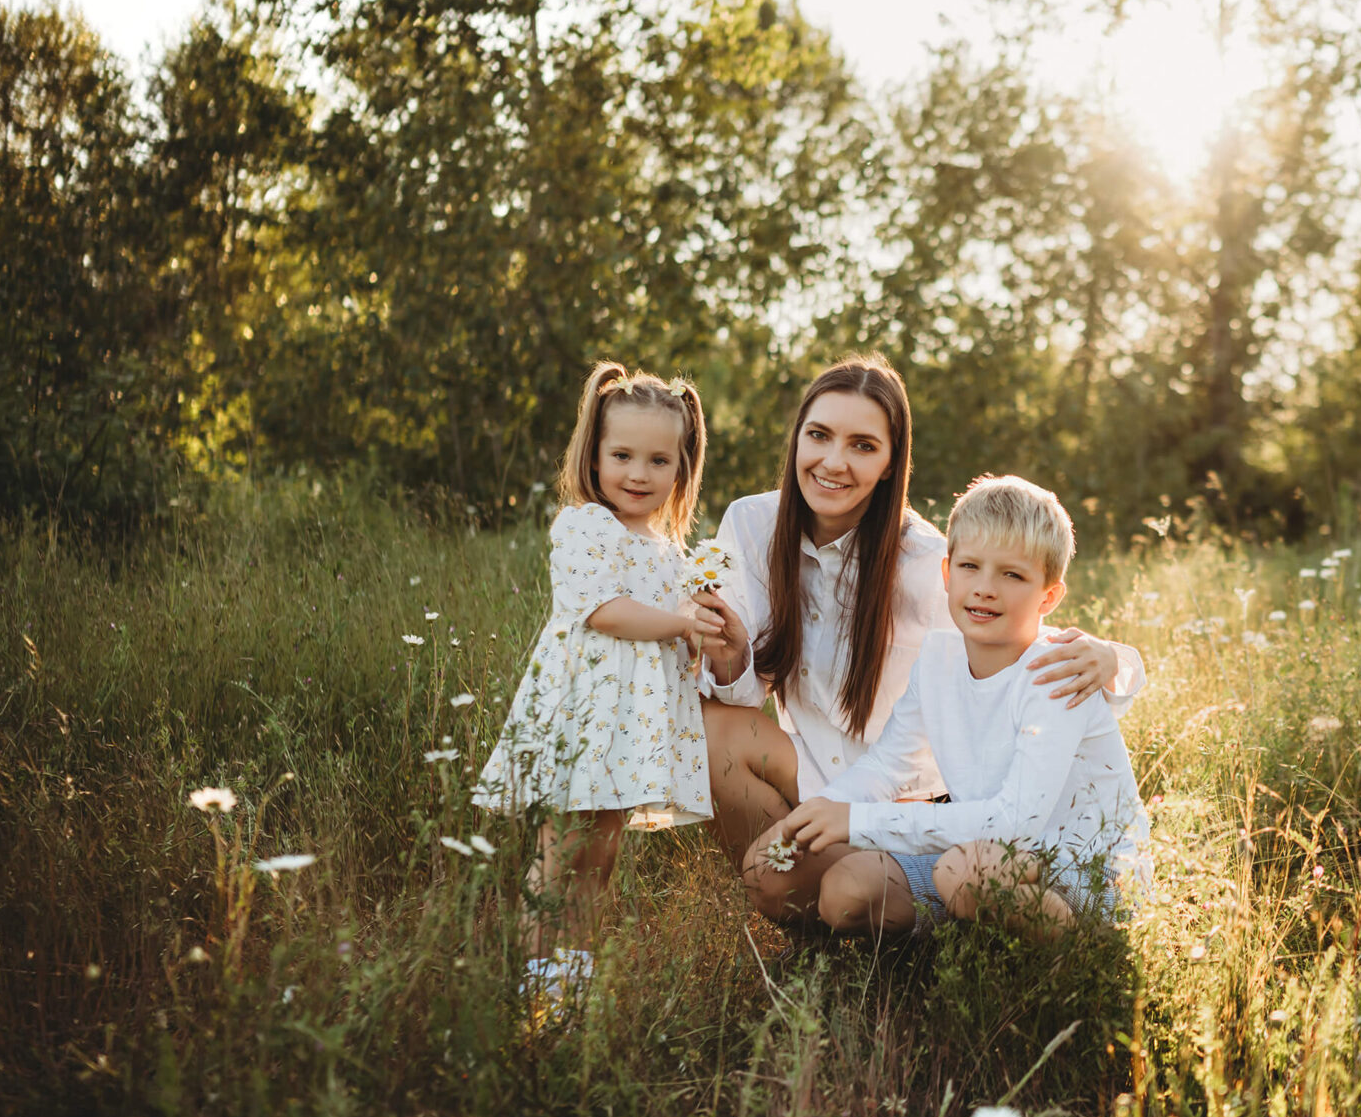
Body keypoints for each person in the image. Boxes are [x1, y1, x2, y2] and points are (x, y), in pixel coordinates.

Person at [692, 356, 1143, 922]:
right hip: (853, 788)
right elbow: (889, 754)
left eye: (862, 445)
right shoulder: (756, 525)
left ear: (889, 463)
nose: (834, 461)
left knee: (958, 873)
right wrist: (730, 657)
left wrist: (1114, 659)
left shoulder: (928, 562)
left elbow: (1020, 642)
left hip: (945, 815)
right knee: (804, 877)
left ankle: (1032, 954)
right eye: (819, 435)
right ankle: (841, 929)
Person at [773, 475, 1152, 939]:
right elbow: (891, 765)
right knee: (845, 893)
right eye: (971, 567)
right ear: (948, 574)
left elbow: (1014, 826)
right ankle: (966, 943)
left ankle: (1087, 950)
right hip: (982, 856)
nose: (985, 588)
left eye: (1012, 575)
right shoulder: (937, 659)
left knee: (964, 873)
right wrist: (823, 808)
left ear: (1049, 596)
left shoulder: (1057, 671)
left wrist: (856, 821)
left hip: (1085, 876)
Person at [471, 362, 724, 998]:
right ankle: (533, 988)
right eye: (622, 455)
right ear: (594, 453)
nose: (639, 474)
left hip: (628, 731)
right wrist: (678, 624)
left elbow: (677, 638)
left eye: (659, 461)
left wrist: (704, 621)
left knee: (601, 858)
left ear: (681, 467)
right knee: (560, 854)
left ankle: (569, 991)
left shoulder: (672, 550)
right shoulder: (585, 526)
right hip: (581, 719)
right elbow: (602, 610)